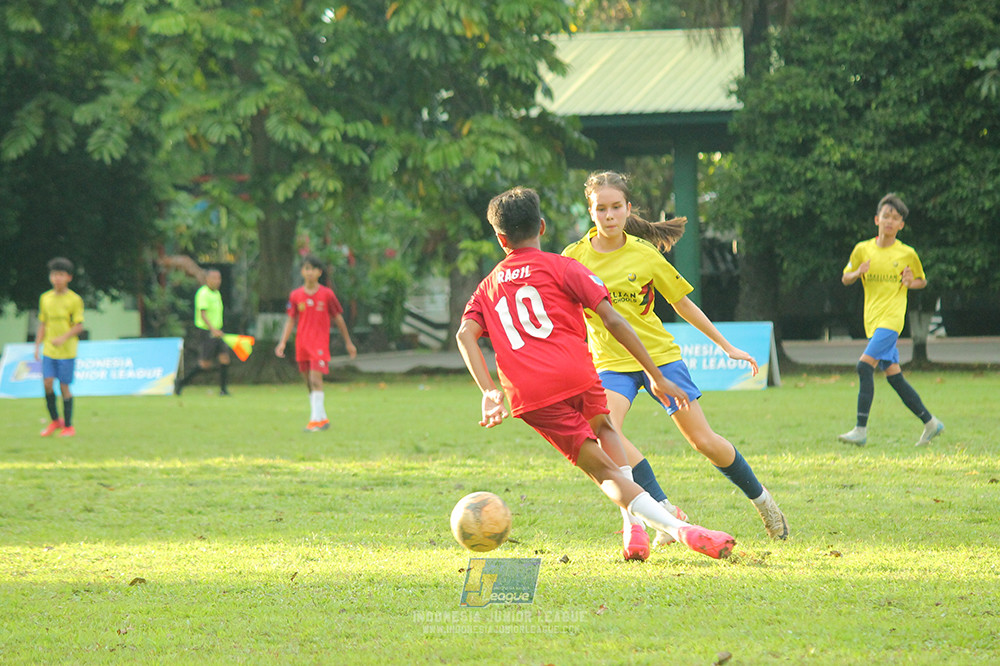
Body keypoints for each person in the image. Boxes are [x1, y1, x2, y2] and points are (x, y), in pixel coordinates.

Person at [457, 186, 736, 562]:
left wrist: (489, 391)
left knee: (605, 472)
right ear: (541, 226)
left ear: (500, 238)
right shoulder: (565, 266)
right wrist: (653, 372)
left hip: (532, 393)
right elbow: (613, 320)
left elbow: (465, 335)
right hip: (578, 372)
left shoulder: (487, 286)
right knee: (606, 429)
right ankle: (636, 525)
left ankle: (676, 528)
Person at [562, 171, 788, 542]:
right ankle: (664, 509)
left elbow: (682, 303)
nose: (609, 215)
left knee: (703, 441)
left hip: (660, 358)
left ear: (628, 208)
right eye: (600, 209)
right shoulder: (574, 258)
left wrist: (725, 345)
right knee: (605, 433)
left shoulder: (644, 254)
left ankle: (764, 502)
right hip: (611, 365)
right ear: (590, 212)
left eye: (616, 207)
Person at [838, 193, 944, 447]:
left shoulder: (907, 253)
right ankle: (931, 423)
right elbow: (845, 277)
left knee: (865, 366)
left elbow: (921, 280)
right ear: (877, 219)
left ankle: (860, 430)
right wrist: (857, 272)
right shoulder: (863, 249)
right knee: (894, 377)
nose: (889, 221)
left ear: (901, 225)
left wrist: (911, 282)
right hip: (872, 320)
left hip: (892, 320)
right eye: (886, 216)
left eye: (895, 218)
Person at [275, 254, 358, 432]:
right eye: (306, 269)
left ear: (319, 272)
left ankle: (314, 422)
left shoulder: (327, 295)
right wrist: (282, 342)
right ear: (302, 272)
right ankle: (321, 418)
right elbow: (290, 320)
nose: (309, 272)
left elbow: (339, 318)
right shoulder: (296, 295)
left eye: (313, 269)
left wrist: (348, 342)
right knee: (308, 382)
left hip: (319, 344)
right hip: (302, 344)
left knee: (315, 379)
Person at [35, 257, 85, 437]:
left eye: (61, 275)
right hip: (49, 349)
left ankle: (69, 426)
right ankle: (55, 421)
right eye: (54, 275)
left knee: (64, 386)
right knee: (47, 383)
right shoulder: (45, 298)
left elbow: (79, 326)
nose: (57, 278)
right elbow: (43, 323)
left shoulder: (74, 300)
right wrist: (37, 346)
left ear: (69, 277)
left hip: (67, 350)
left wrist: (63, 338)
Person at [175, 268, 231, 396]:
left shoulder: (217, 294)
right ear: (207, 280)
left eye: (219, 278)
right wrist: (213, 330)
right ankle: (181, 382)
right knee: (205, 364)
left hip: (217, 332)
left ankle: (223, 390)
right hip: (207, 332)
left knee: (225, 358)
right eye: (214, 278)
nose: (218, 281)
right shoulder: (203, 293)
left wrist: (218, 330)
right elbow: (203, 315)